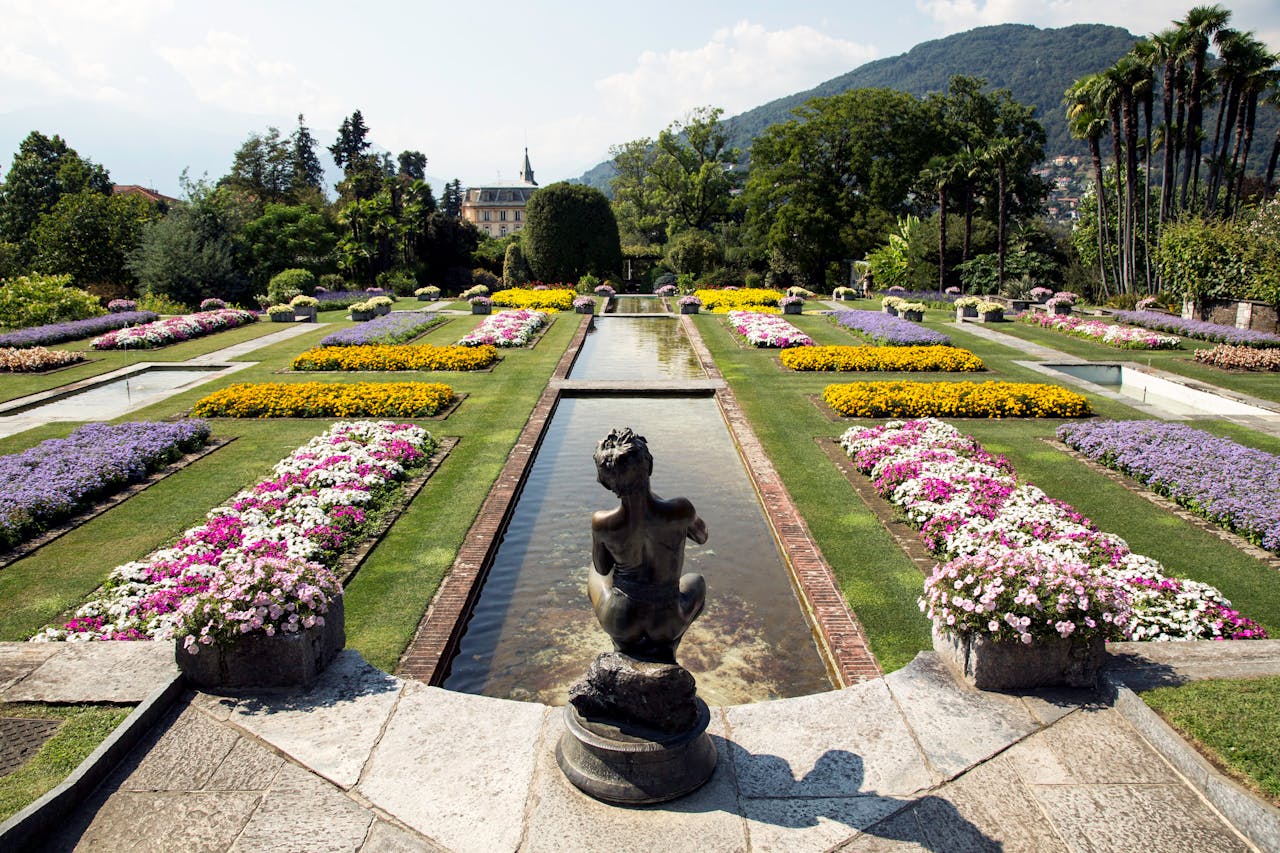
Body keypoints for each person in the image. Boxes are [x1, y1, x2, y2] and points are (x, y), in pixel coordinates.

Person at [588, 428, 707, 664]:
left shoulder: (602, 522)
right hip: (667, 622)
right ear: (649, 468)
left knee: (593, 573)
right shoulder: (680, 510)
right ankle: (669, 646)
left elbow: (602, 568)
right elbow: (702, 536)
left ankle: (622, 646)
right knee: (697, 581)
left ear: (607, 482)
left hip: (621, 621)